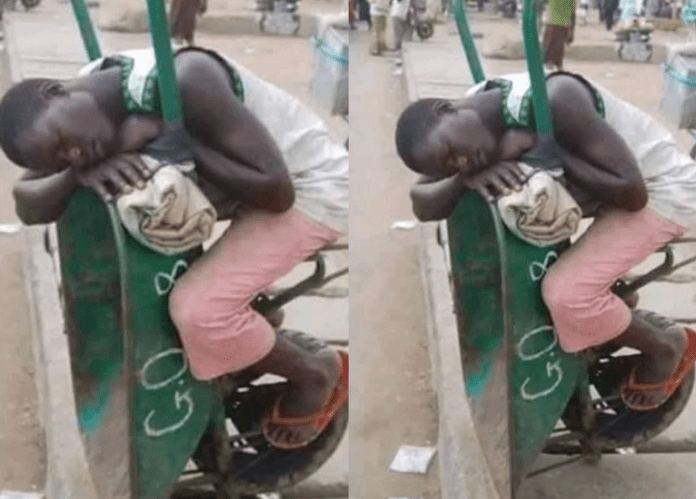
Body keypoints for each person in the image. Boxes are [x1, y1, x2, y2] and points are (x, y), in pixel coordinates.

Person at [0, 45, 349, 449]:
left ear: (54, 91)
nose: (75, 155)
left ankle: (314, 372)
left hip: (310, 187)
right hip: (244, 193)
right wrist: (78, 175)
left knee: (198, 312)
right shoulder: (89, 103)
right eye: (62, 157)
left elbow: (277, 191)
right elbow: (28, 203)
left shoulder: (187, 80)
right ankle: (246, 330)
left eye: (65, 143)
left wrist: (172, 140)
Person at [394, 70, 696, 411]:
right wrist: (464, 181)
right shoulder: (476, 116)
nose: (462, 163)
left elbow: (633, 193)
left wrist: (547, 149)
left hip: (661, 190)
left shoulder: (557, 100)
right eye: (451, 166)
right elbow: (422, 202)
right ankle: (609, 308)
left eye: (453, 152)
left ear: (446, 109)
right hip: (607, 195)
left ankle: (665, 346)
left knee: (566, 295)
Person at [542, 0, 576, 70]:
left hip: (552, 24)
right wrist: (572, 32)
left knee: (549, 54)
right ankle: (558, 68)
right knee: (559, 50)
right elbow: (573, 14)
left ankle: (552, 68)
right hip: (564, 25)